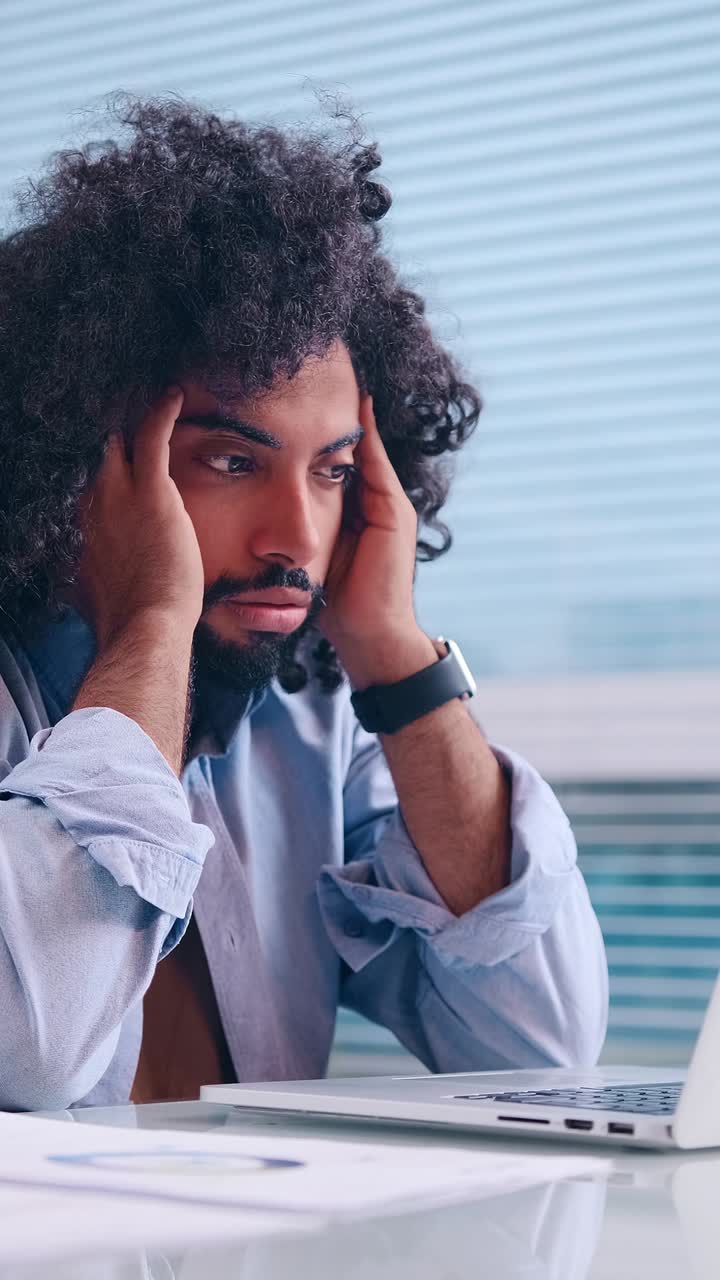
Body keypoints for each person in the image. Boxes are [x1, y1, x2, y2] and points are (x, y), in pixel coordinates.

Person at [0, 98, 608, 1111]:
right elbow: (27, 1048)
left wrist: (397, 661)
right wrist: (150, 624)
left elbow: (539, 1040)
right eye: (233, 460)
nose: (297, 536)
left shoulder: (310, 726)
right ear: (75, 461)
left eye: (331, 471)